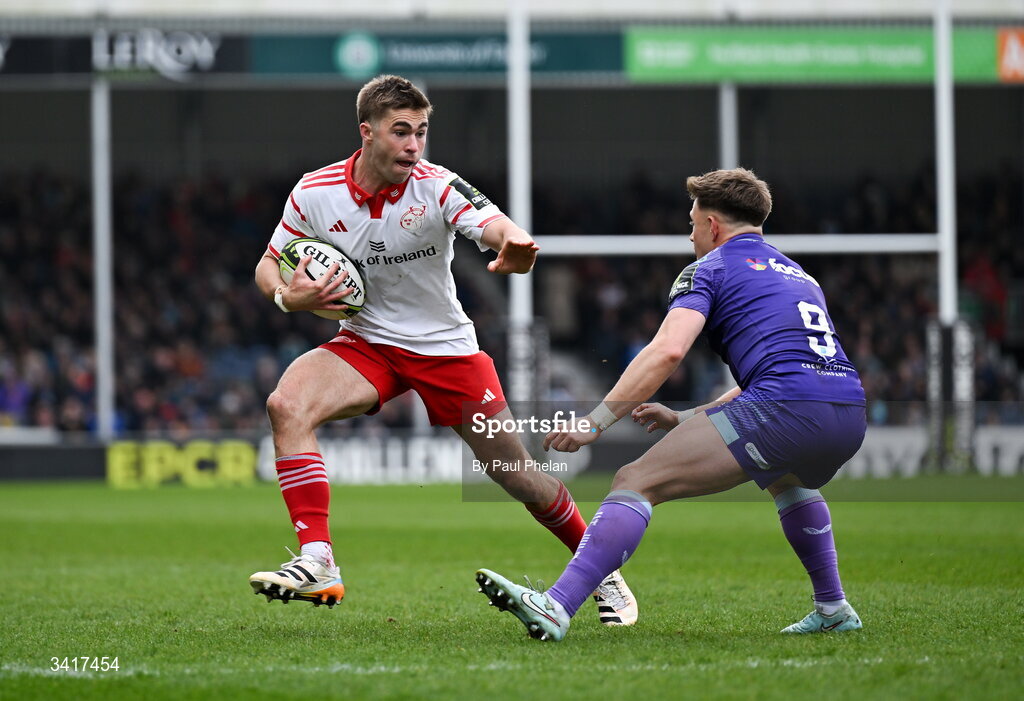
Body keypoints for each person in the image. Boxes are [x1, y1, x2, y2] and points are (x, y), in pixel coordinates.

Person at [248, 74, 636, 625]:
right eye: (400, 131)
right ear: (367, 132)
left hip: (446, 350)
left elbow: (496, 224)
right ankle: (319, 562)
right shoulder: (314, 192)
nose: (413, 144)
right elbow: (268, 263)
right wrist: (290, 297)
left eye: (421, 132)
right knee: (286, 405)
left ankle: (601, 570)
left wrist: (515, 246)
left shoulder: (438, 186)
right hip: (368, 341)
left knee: (517, 474)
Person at [476, 168, 866, 641]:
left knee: (634, 480)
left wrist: (595, 423)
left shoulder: (710, 268)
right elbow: (783, 372)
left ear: (713, 226)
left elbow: (667, 351)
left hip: (787, 406)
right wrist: (684, 418)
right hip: (848, 409)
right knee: (788, 480)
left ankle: (556, 606)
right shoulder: (801, 276)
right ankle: (832, 606)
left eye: (692, 223)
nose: (691, 234)